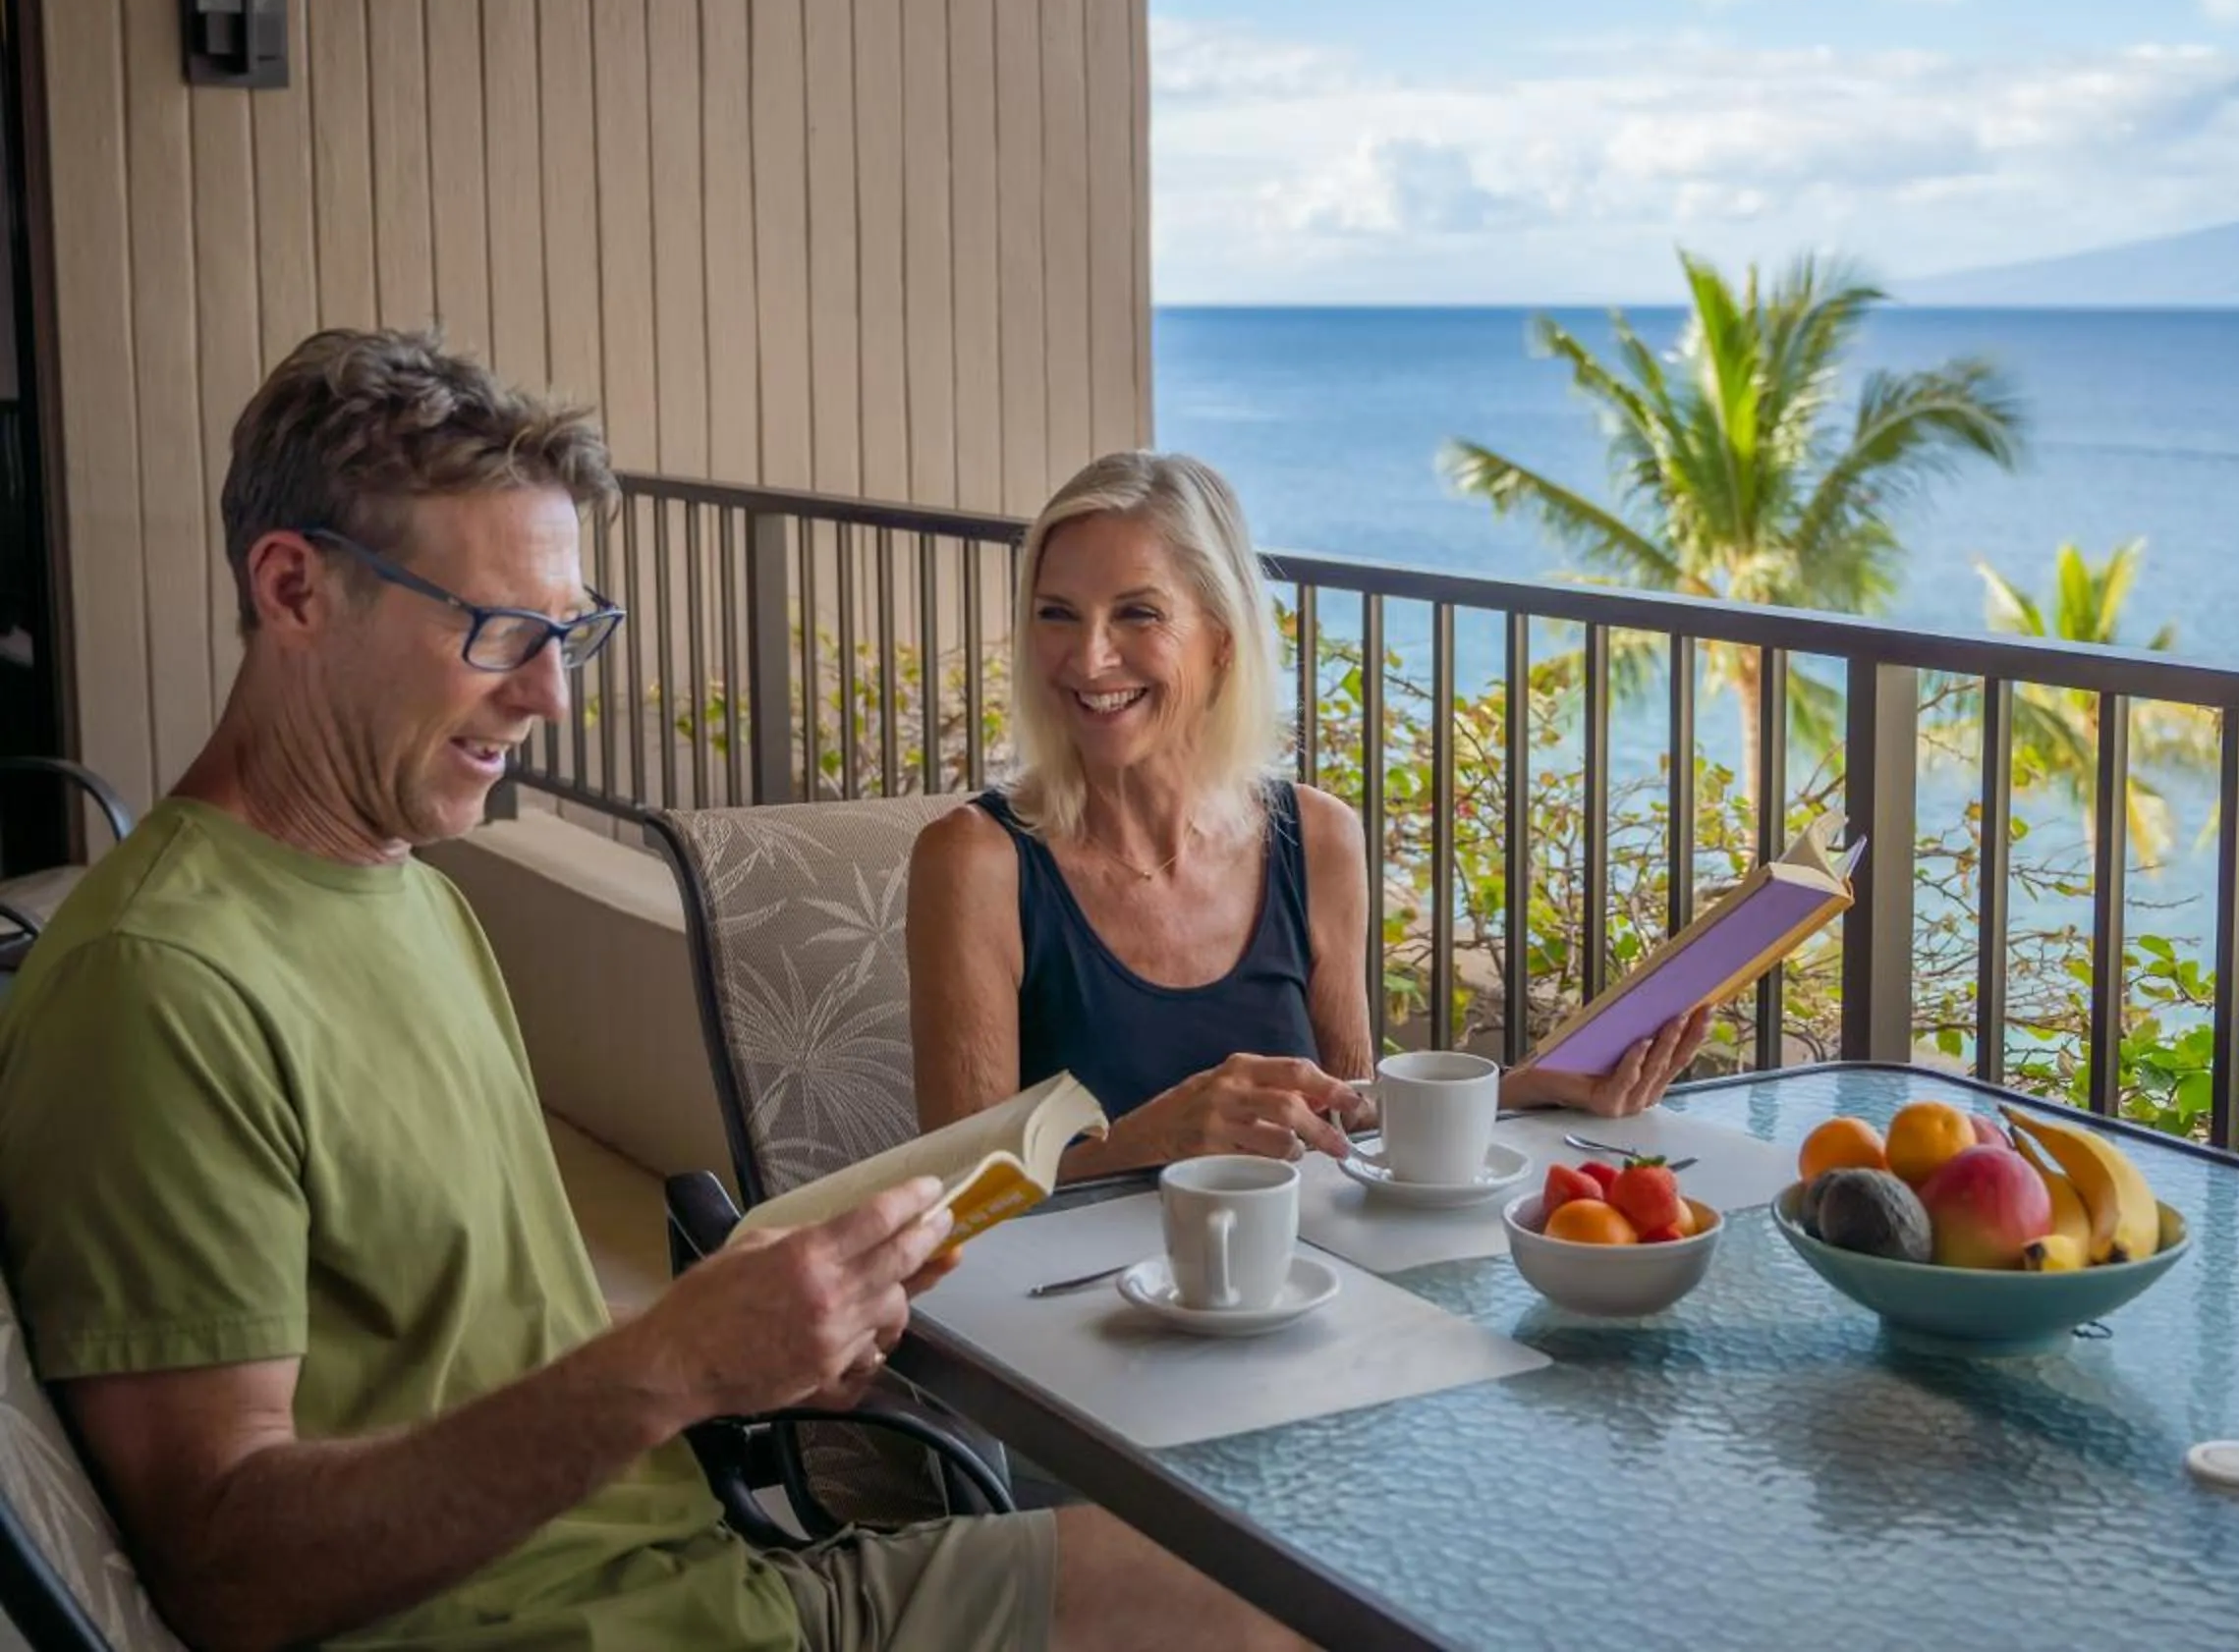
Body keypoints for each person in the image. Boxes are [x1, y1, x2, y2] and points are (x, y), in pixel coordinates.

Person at [0, 331, 1306, 1652]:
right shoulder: (156, 985)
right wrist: (669, 1363)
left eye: (571, 631)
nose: (550, 693)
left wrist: (747, 1353)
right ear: (293, 588)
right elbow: (229, 1572)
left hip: (707, 1585)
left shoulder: (414, 893)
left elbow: (486, 1351)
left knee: (1287, 1584)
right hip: (566, 1627)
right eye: (500, 629)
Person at [907, 449, 1709, 1177]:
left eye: (1138, 614)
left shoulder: (1315, 839)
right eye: (1057, 614)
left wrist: (1531, 1087)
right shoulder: (977, 863)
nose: (1088, 659)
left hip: (1292, 1292)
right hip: (1062, 1317)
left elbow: (1346, 1113)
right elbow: (958, 1188)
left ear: (1221, 640)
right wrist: (1154, 1139)